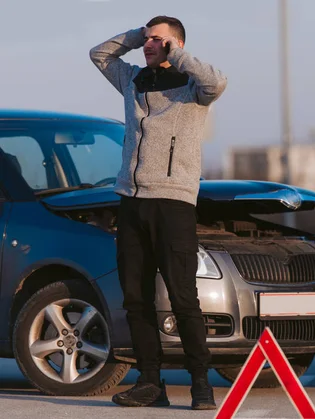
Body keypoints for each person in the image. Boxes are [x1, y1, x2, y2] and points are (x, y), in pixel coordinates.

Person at [89, 15, 227, 410]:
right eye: (148, 40)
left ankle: (201, 383)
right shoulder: (132, 80)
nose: (151, 45)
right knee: (135, 298)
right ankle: (150, 382)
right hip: (132, 202)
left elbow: (217, 82)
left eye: (159, 41)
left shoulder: (192, 88)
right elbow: (99, 55)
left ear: (177, 46)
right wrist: (137, 36)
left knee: (184, 298)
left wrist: (177, 55)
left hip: (174, 203)